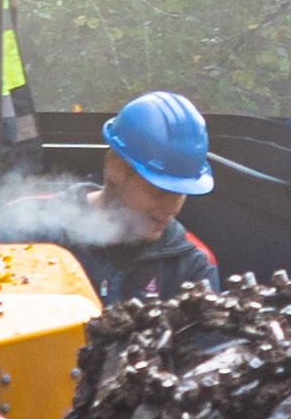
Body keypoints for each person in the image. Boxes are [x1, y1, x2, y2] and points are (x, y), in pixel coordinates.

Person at [77, 91, 221, 304]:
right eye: (160, 191)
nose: (172, 208)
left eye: (180, 193)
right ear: (115, 168)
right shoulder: (34, 230)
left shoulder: (192, 265)